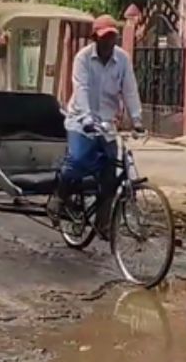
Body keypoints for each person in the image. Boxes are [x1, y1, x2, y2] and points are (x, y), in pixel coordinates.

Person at [51, 15, 143, 231]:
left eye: (112, 37)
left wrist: (136, 119)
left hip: (107, 123)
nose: (109, 41)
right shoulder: (82, 58)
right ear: (95, 38)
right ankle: (59, 197)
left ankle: (103, 222)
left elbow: (129, 90)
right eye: (105, 37)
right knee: (79, 160)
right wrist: (87, 118)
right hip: (80, 120)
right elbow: (81, 88)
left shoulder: (123, 59)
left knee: (109, 173)